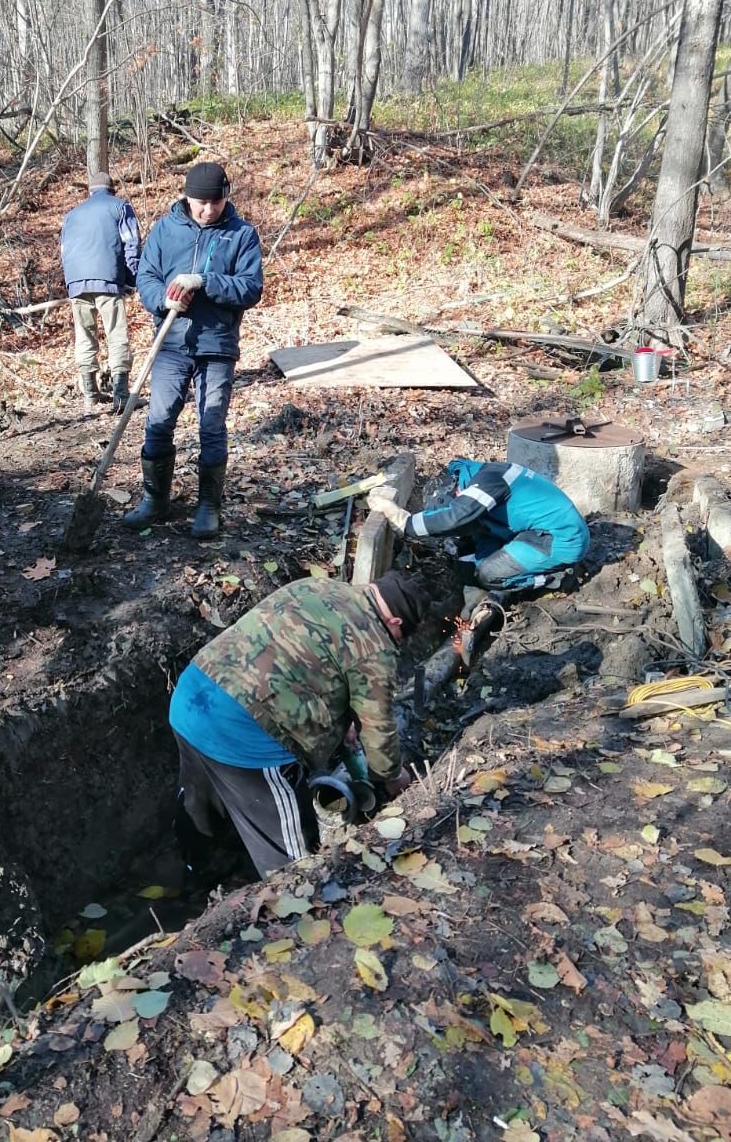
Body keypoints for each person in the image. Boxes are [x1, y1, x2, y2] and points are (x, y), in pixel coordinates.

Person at [170, 571, 429, 877]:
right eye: (402, 638)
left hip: (192, 697)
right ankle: (285, 910)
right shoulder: (375, 643)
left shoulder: (315, 586)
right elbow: (378, 727)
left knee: (201, 805)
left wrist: (339, 719)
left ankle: (194, 879)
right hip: (245, 735)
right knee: (294, 863)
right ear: (396, 623)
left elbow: (300, 658)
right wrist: (391, 776)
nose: (398, 645)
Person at [123, 161, 263, 539]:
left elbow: (251, 288)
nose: (207, 210)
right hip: (170, 344)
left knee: (211, 423)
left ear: (225, 198)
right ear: (186, 196)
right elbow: (146, 278)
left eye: (215, 202)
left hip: (217, 345)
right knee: (160, 419)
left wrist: (205, 281)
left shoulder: (241, 235)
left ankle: (208, 506)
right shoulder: (165, 231)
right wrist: (162, 301)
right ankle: (155, 501)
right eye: (200, 202)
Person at [368, 458, 590, 592]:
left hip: (560, 539)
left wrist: (405, 522)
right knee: (478, 563)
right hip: (536, 532)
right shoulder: (480, 476)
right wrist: (466, 579)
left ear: (457, 490)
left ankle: (553, 578)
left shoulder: (489, 481)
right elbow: (473, 531)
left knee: (489, 575)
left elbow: (458, 516)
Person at [61, 172, 141, 416]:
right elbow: (131, 243)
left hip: (76, 282)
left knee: (84, 336)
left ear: (90, 191)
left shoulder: (71, 215)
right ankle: (121, 395)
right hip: (107, 279)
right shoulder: (120, 207)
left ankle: (90, 397)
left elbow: (64, 251)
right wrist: (133, 278)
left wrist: (72, 281)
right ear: (112, 189)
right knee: (116, 333)